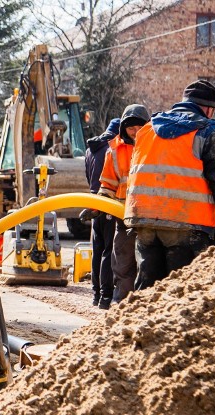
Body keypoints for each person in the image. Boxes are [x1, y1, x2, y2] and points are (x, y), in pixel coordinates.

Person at [124, 80, 215, 290]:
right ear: (208, 109)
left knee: (146, 293)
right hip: (187, 223)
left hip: (144, 221)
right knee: (184, 293)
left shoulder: (148, 127)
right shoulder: (208, 129)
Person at [98, 104, 150, 303]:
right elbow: (107, 185)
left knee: (146, 266)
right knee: (121, 266)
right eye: (131, 129)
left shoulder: (156, 147)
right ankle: (122, 306)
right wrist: (98, 205)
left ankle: (145, 307)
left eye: (140, 128)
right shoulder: (114, 151)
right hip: (124, 218)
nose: (136, 133)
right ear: (124, 129)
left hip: (150, 219)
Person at [80, 118, 120, 310]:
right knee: (108, 250)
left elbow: (89, 177)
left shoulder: (91, 150)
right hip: (109, 203)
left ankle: (96, 293)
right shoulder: (111, 150)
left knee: (98, 249)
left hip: (93, 202)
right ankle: (106, 296)